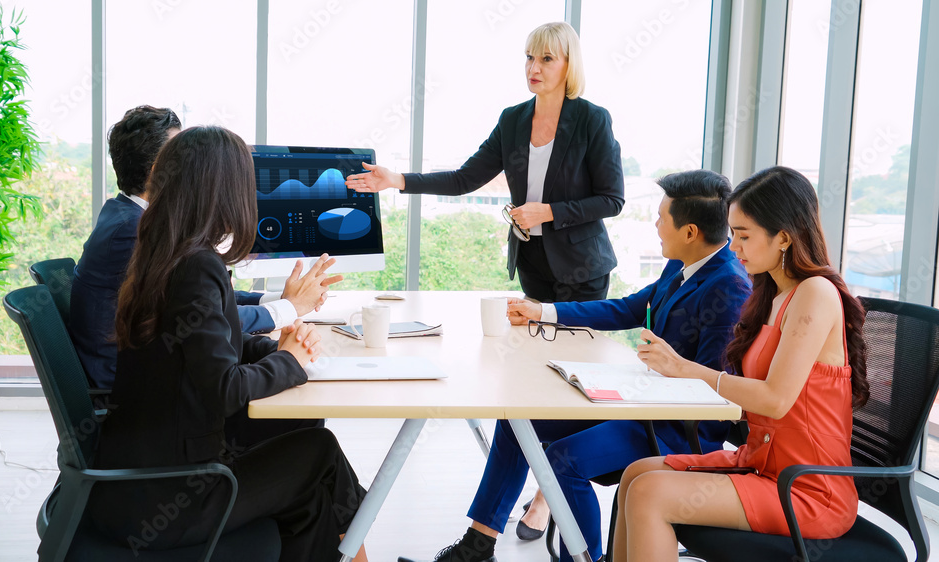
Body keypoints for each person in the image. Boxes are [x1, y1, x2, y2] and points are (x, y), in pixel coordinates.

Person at [399, 170, 751, 562]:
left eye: (660, 217)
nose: (655, 225)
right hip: (642, 407)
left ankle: (586, 560)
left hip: (677, 431)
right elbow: (628, 308)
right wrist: (544, 311)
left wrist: (655, 375)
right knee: (519, 421)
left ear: (689, 232)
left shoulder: (729, 285)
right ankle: (478, 546)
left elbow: (712, 391)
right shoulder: (683, 264)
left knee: (564, 461)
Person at [88, 126, 369, 562]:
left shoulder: (163, 253)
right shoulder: (197, 266)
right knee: (320, 453)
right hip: (170, 498)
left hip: (135, 480)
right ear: (225, 190)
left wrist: (276, 350)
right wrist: (291, 362)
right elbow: (225, 389)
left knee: (309, 477)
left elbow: (208, 346)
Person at [613, 166, 869, 562]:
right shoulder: (770, 293)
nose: (733, 247)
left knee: (649, 494)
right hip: (761, 462)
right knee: (635, 474)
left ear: (783, 236)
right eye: (733, 234)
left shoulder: (815, 292)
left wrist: (686, 368)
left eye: (744, 236)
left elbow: (775, 399)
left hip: (807, 488)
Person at [345, 21, 624, 303]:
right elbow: (463, 179)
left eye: (546, 59)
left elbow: (612, 200)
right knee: (535, 347)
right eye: (529, 57)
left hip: (582, 270)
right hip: (532, 263)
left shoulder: (592, 120)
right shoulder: (513, 120)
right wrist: (396, 180)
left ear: (569, 65)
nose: (533, 68)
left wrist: (548, 212)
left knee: (576, 347)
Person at [70, 105, 340, 391]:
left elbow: (202, 302)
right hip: (132, 389)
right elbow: (202, 317)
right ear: (159, 172)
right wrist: (289, 309)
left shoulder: (126, 215)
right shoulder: (132, 231)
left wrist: (278, 301)